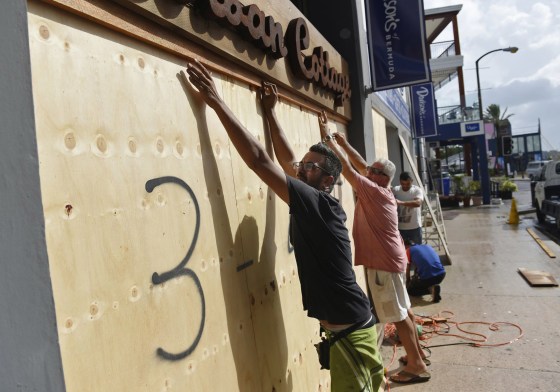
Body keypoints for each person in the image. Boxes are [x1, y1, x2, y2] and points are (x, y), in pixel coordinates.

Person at [184, 60, 384, 391]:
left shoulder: (317, 203)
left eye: (309, 167)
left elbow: (262, 161)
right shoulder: (314, 199)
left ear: (326, 180)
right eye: (303, 165)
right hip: (346, 330)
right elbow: (286, 159)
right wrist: (270, 114)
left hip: (352, 335)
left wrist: (216, 101)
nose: (300, 169)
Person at [324, 128, 431, 384]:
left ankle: (417, 365)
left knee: (397, 313)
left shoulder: (374, 191)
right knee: (404, 309)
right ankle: (418, 355)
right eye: (370, 170)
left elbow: (350, 170)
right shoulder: (381, 188)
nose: (368, 172)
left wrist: (329, 142)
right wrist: (344, 142)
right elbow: (360, 165)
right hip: (390, 260)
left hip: (383, 262)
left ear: (383, 178)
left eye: (374, 171)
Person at [392, 171, 424, 245]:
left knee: (417, 251)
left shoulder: (417, 190)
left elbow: (418, 203)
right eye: (403, 184)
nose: (405, 186)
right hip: (399, 228)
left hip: (415, 228)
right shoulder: (395, 190)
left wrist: (400, 202)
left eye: (408, 184)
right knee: (402, 253)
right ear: (400, 181)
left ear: (412, 181)